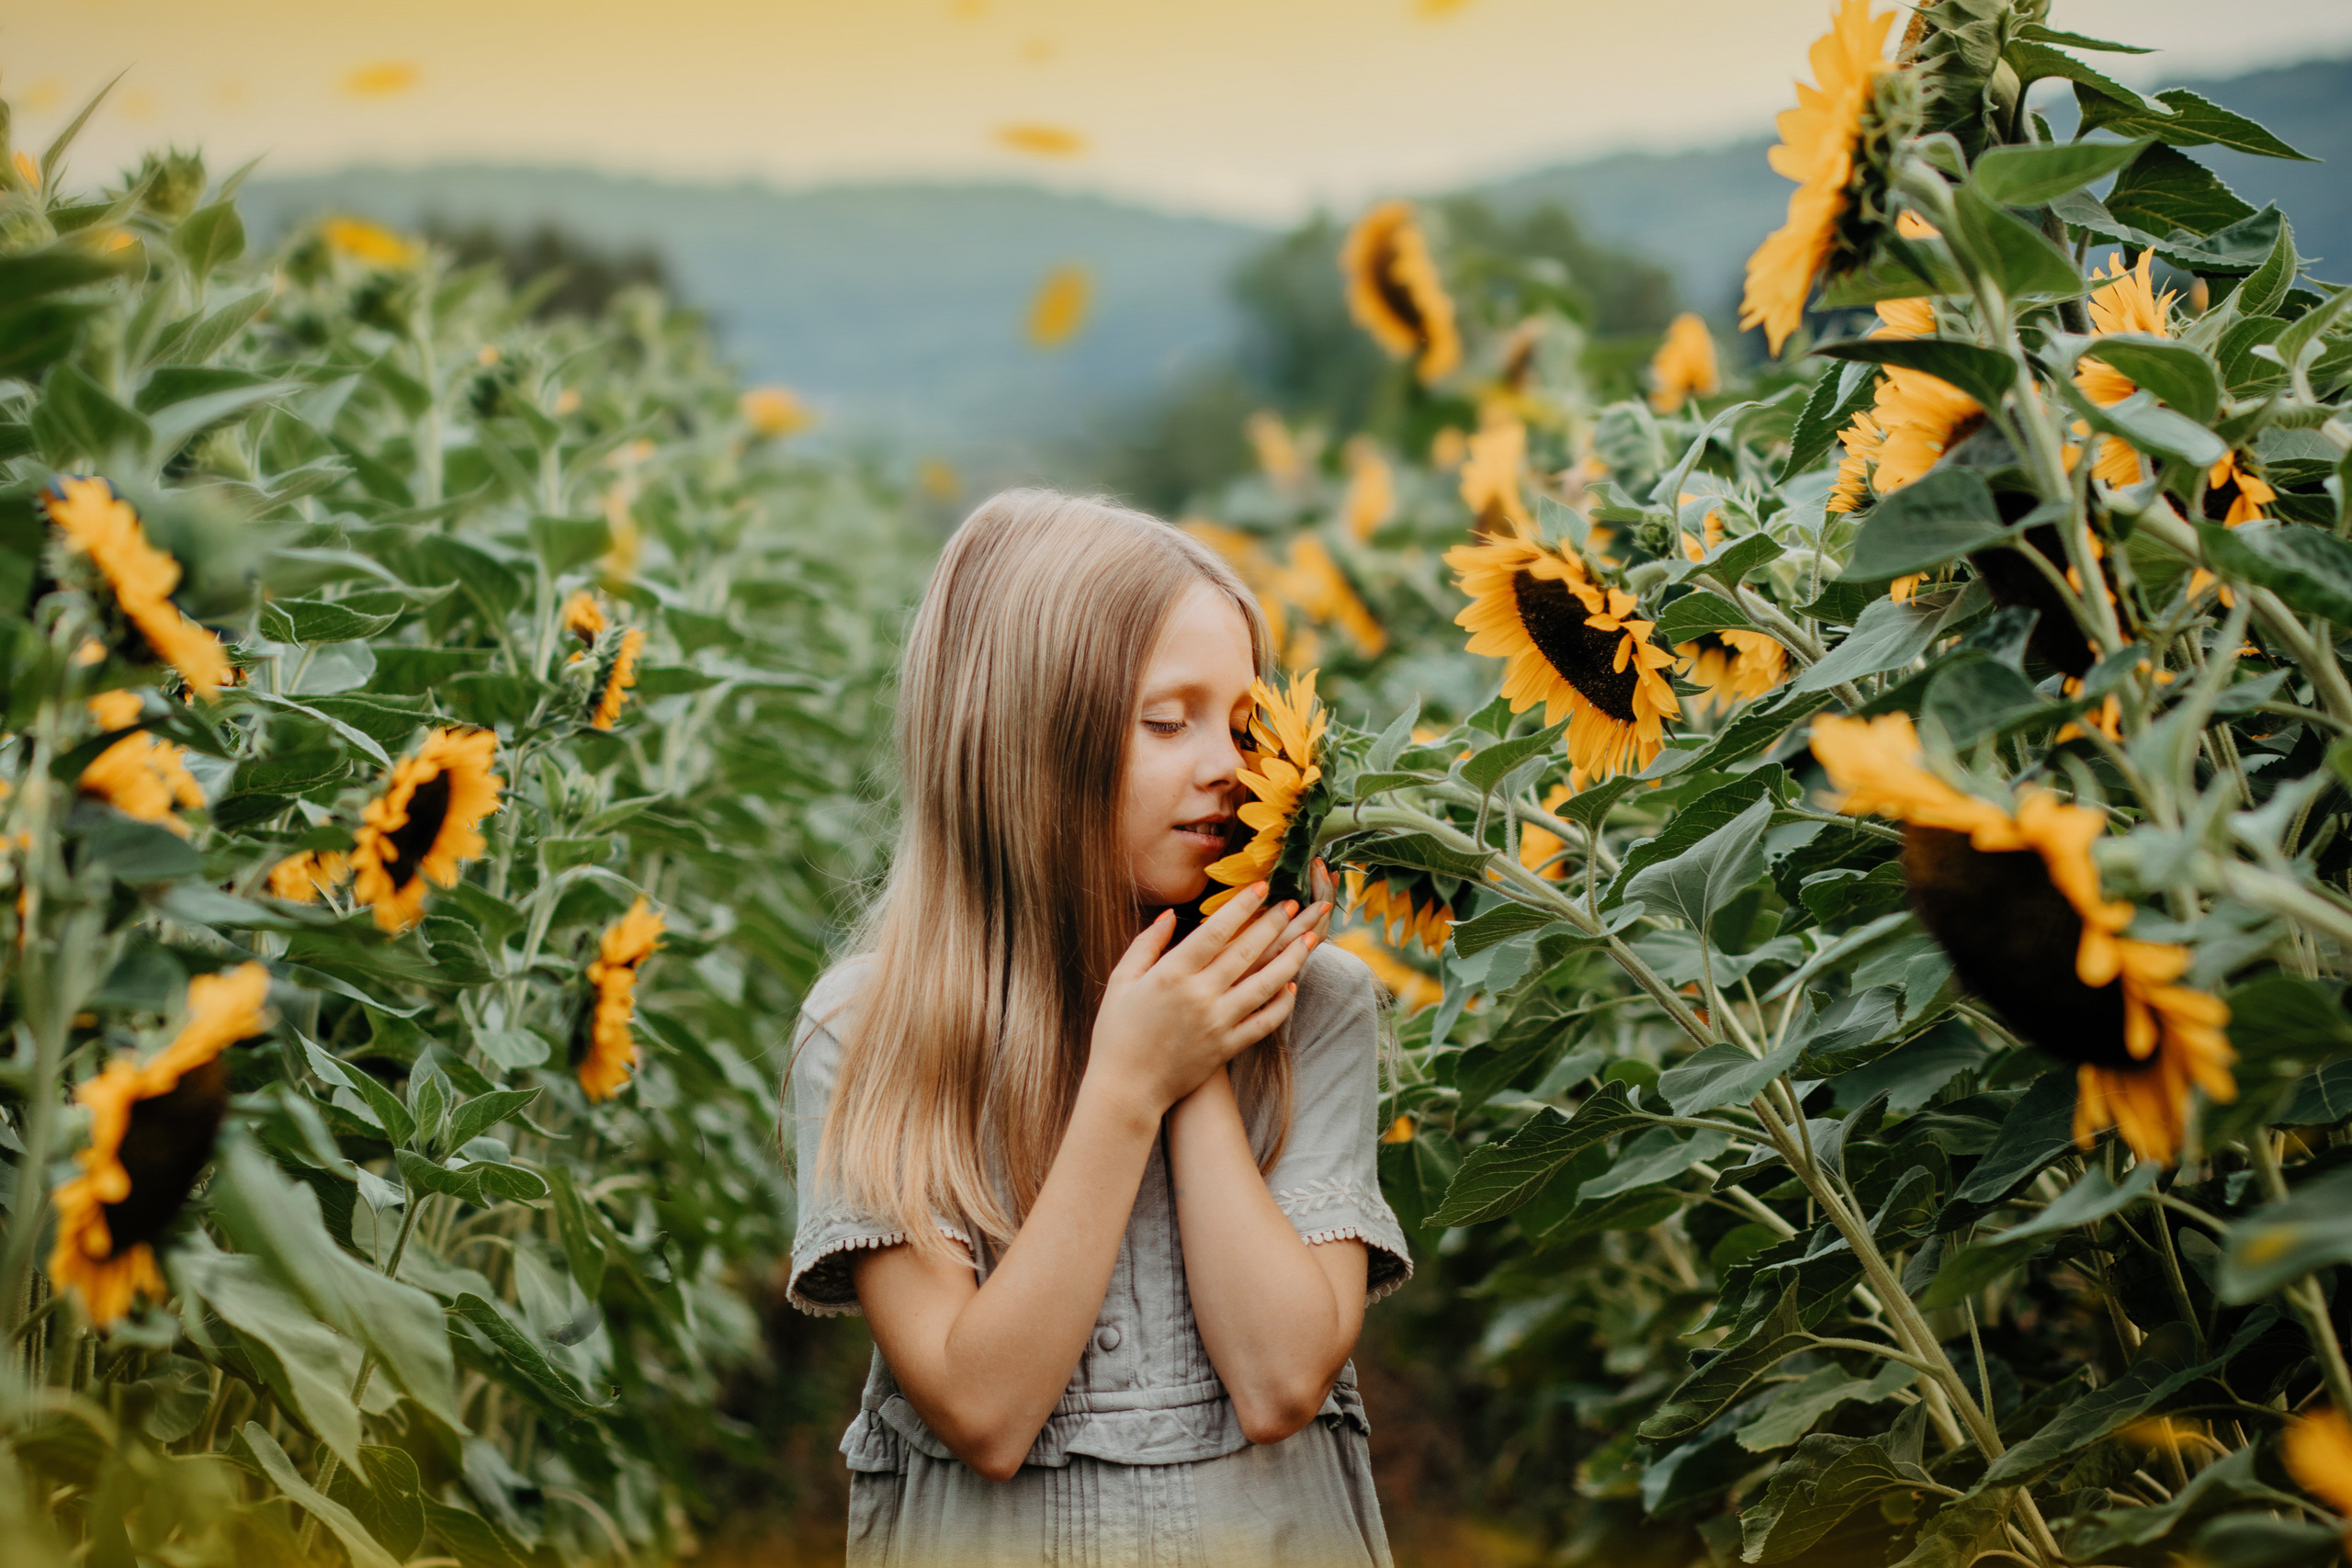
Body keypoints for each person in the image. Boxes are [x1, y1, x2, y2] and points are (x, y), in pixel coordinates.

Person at [785, 490, 1411, 1566]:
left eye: (1245, 726)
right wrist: (1124, 1086)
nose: (1227, 765)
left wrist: (1194, 1042)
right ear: (1023, 744)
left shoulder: (1313, 1009)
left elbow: (1279, 1380)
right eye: (1167, 722)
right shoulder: (873, 1032)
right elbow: (983, 1410)